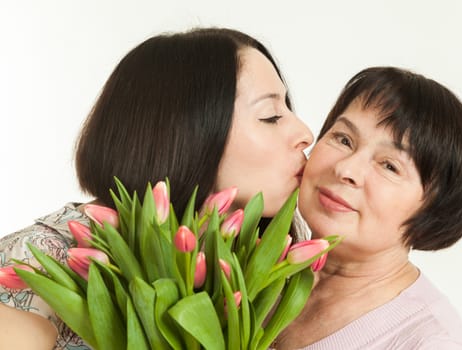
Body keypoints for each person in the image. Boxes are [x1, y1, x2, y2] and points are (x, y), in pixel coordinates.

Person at [0, 27, 313, 349]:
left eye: (288, 109)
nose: (305, 133)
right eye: (271, 115)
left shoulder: (261, 277)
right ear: (186, 135)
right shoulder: (37, 264)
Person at [275, 67, 462, 349]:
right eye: (343, 139)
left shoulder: (432, 341)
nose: (346, 169)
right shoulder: (251, 275)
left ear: (434, 211)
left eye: (389, 166)